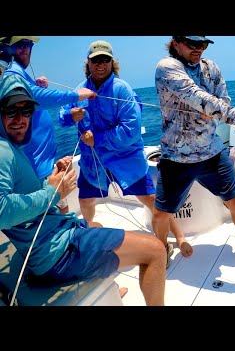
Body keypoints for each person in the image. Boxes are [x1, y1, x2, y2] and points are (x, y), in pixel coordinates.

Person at [0, 76, 167, 306]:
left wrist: (49, 181)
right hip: (56, 253)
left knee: (95, 225)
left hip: (52, 240)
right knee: (156, 251)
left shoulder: (11, 147)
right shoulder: (3, 151)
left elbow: (18, 194)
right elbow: (2, 211)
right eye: (11, 111)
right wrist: (52, 193)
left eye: (26, 110)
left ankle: (111, 289)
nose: (20, 119)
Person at [58, 40, 191, 266]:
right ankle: (88, 235)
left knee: (152, 200)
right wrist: (71, 115)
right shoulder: (79, 90)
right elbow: (61, 117)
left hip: (125, 159)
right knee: (86, 200)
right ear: (88, 63)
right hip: (93, 163)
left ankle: (177, 237)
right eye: (96, 60)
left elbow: (130, 131)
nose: (100, 64)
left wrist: (97, 139)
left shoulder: (122, 89)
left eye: (105, 60)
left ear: (112, 63)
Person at [152, 36, 235, 267]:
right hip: (176, 157)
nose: (198, 49)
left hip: (212, 152)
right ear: (176, 43)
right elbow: (194, 94)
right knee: (162, 213)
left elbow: (223, 99)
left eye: (202, 44)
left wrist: (213, 107)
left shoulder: (211, 68)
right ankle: (162, 248)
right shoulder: (167, 67)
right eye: (191, 44)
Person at [3, 36, 97, 214]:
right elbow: (36, 97)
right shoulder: (11, 72)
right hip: (35, 167)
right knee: (52, 212)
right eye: (18, 45)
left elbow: (34, 97)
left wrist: (37, 86)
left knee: (60, 205)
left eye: (27, 45)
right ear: (8, 48)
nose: (24, 49)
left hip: (43, 163)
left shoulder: (19, 74)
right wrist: (76, 95)